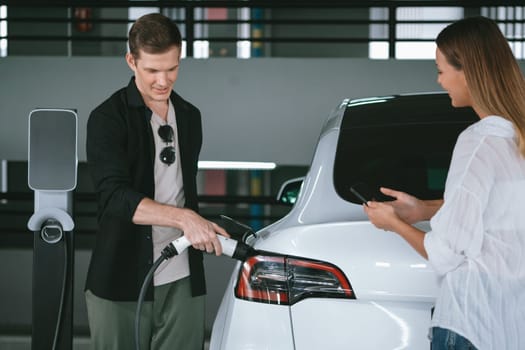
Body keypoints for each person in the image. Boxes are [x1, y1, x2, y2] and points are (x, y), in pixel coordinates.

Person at [364, 16, 525, 350]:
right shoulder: (516, 139)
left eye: (440, 70)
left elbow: (445, 254)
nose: (439, 81)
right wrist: (424, 208)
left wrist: (392, 223)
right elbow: (498, 213)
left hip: (469, 325)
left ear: (467, 70)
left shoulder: (479, 142)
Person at [84, 13, 229, 350]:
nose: (163, 81)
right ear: (131, 61)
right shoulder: (106, 119)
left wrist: (199, 223)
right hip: (120, 279)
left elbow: (180, 190)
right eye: (152, 70)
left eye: (172, 68)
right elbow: (114, 198)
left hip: (182, 276)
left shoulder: (190, 117)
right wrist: (185, 219)